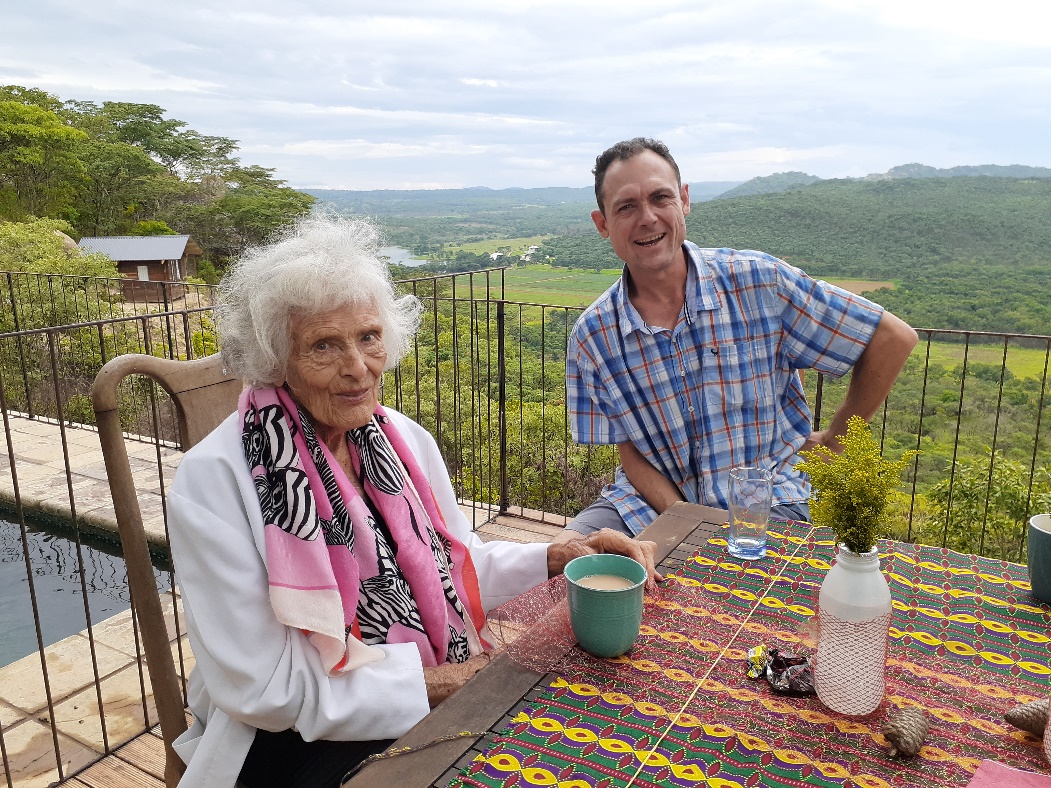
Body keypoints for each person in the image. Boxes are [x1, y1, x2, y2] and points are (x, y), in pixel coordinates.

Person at [166, 216, 659, 788]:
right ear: (275, 358)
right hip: (292, 740)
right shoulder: (216, 480)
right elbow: (265, 689)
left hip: (417, 691)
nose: (357, 368)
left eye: (369, 337)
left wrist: (560, 555)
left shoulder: (398, 438)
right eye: (324, 345)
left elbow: (452, 566)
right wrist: (442, 683)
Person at [562, 138, 919, 539]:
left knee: (752, 594)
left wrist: (836, 441)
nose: (647, 218)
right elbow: (632, 455)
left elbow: (892, 338)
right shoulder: (594, 337)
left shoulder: (757, 282)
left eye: (660, 197)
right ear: (602, 224)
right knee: (560, 566)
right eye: (626, 207)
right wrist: (683, 518)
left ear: (683, 200)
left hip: (768, 498)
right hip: (645, 504)